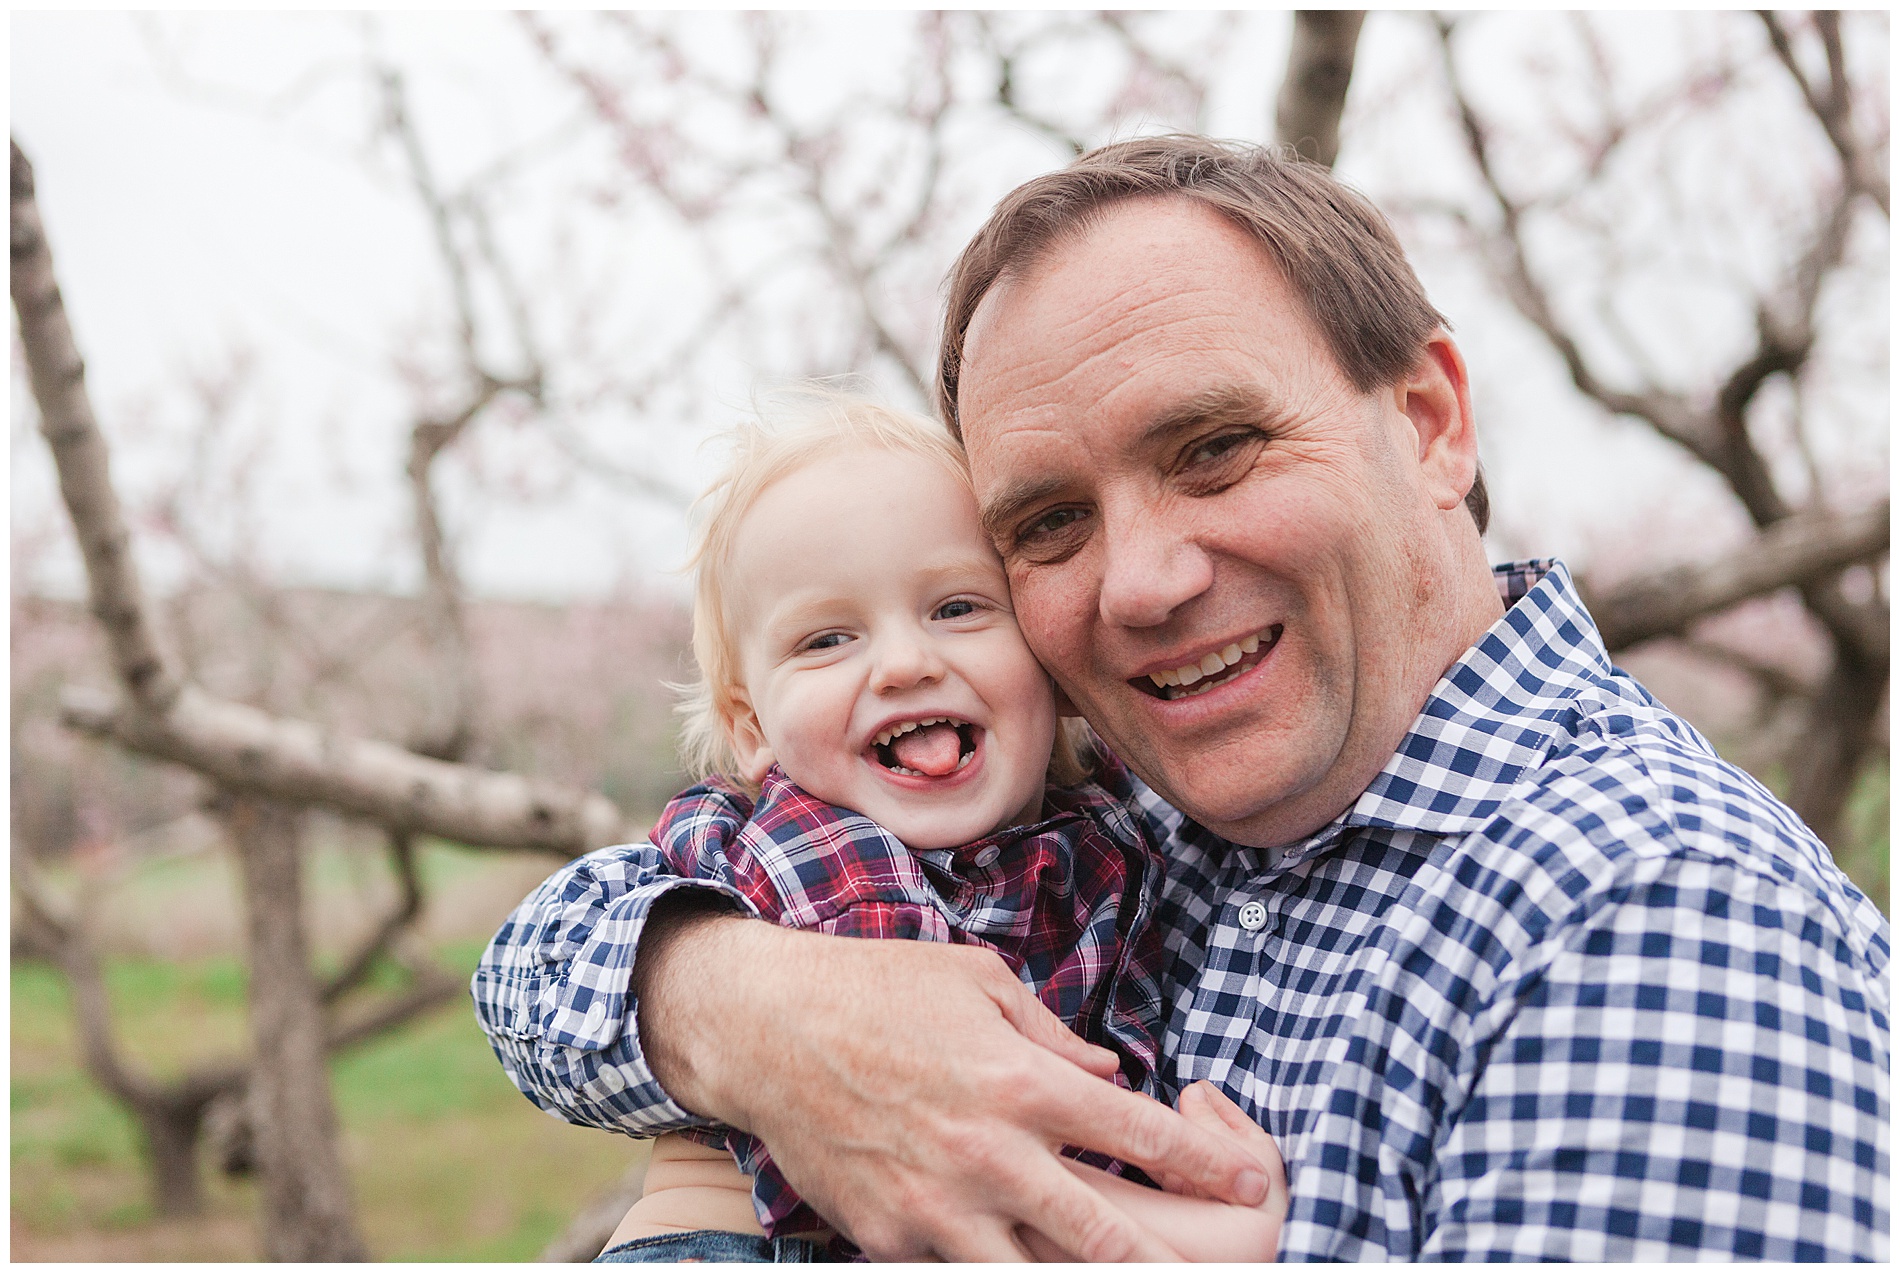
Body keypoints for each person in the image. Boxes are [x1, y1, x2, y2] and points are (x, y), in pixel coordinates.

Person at [475, 137, 1890, 1261]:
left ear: (1431, 421)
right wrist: (750, 1008)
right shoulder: (1152, 809)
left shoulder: (1648, 919)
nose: (1142, 584)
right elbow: (536, 968)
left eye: (1214, 448)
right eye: (1046, 524)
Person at [504, 395, 1286, 1262]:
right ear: (752, 725)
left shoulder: (1109, 840)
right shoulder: (759, 844)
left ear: (1047, 662)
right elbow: (545, 955)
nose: (907, 662)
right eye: (826, 639)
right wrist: (1207, 1230)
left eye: (957, 608)